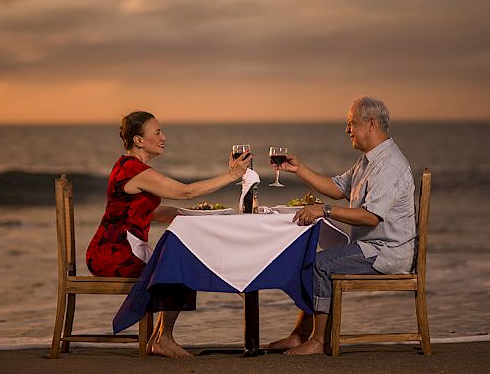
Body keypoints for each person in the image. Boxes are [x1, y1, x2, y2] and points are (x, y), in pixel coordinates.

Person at [86, 110, 251, 357]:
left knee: (179, 260)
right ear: (138, 140)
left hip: (121, 247)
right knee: (178, 264)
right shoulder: (132, 168)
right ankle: (163, 339)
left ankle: (161, 337)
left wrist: (188, 214)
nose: (164, 137)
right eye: (158, 132)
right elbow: (187, 191)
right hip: (113, 252)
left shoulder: (133, 168)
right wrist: (232, 175)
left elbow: (147, 213)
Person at [268, 96, 416, 355]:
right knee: (310, 259)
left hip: (386, 252)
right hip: (369, 246)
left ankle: (318, 341)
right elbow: (337, 189)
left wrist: (323, 210)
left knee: (321, 264)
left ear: (370, 124)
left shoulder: (389, 165)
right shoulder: (369, 160)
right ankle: (299, 335)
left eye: (351, 123)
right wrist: (299, 169)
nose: (347, 130)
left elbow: (371, 217)